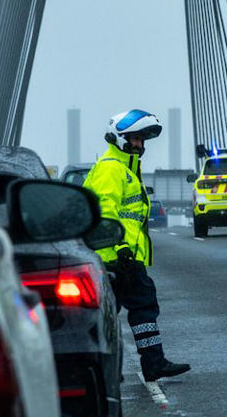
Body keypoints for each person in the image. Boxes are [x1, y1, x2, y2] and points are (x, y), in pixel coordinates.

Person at [83, 109, 190, 381]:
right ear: (120, 138)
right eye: (135, 139)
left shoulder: (124, 168)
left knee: (110, 312)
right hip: (117, 257)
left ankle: (113, 369)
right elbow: (105, 211)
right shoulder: (111, 169)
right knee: (141, 305)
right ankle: (150, 363)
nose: (140, 145)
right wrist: (121, 249)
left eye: (142, 140)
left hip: (119, 256)